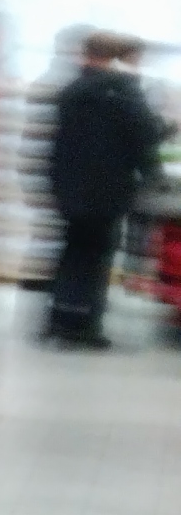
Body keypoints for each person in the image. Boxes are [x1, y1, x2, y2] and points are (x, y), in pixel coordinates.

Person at [43, 30, 162, 348]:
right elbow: (143, 135)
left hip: (69, 186)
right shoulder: (124, 90)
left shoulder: (72, 90)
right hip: (107, 188)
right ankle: (84, 326)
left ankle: (59, 319)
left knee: (71, 252)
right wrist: (153, 172)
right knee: (96, 257)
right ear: (118, 58)